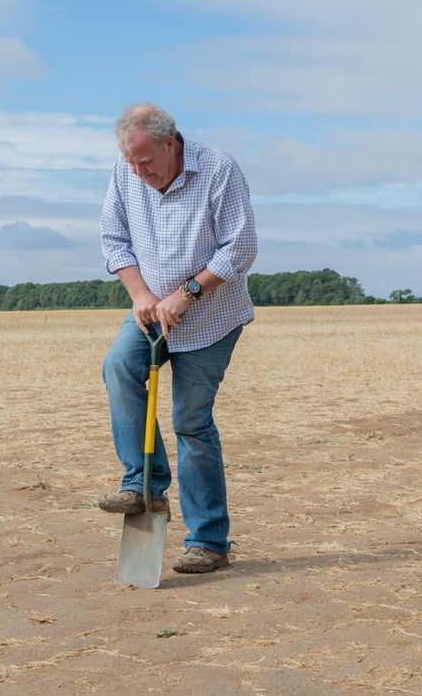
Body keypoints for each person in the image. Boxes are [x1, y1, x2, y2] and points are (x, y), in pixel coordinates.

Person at [97, 103, 257, 574]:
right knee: (119, 366)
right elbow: (113, 239)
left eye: (145, 161)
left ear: (171, 143)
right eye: (130, 162)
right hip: (150, 311)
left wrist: (187, 293)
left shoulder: (219, 169)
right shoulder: (125, 174)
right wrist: (141, 293)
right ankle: (143, 484)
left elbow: (241, 248)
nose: (137, 171)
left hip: (211, 317)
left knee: (190, 421)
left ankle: (209, 542)